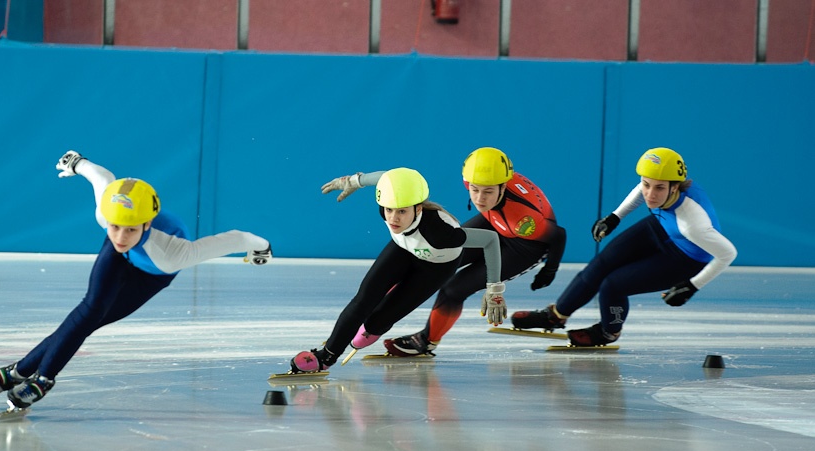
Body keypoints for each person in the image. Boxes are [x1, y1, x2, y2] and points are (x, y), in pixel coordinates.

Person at [0, 150, 272, 413]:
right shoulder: (107, 216)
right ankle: (37, 377)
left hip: (152, 273)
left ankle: (17, 372)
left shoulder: (174, 254)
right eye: (115, 227)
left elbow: (237, 238)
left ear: (146, 223)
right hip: (120, 259)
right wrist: (78, 163)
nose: (121, 236)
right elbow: (102, 176)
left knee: (92, 320)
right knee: (88, 312)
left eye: (130, 230)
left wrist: (261, 248)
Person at [510, 147, 737, 346]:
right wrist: (614, 217)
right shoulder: (659, 187)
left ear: (675, 188)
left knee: (613, 286)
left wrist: (692, 286)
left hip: (687, 257)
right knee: (601, 264)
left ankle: (609, 332)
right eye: (647, 185)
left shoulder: (693, 222)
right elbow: (641, 189)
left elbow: (727, 253)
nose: (650, 194)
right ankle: (556, 315)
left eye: (659, 188)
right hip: (663, 227)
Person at [289, 167, 507, 373]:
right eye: (389, 210)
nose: (393, 218)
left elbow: (490, 239)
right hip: (403, 248)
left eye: (402, 212)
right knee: (363, 300)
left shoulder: (441, 233)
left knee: (377, 322)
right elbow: (387, 178)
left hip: (435, 269)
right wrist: (354, 181)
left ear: (418, 208)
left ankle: (364, 334)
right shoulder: (392, 202)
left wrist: (494, 289)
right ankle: (326, 357)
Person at [379, 147, 567, 356]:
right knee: (433, 257)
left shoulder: (525, 220)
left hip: (524, 245)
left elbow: (558, 235)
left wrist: (550, 269)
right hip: (495, 220)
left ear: (503, 187)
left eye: (488, 192)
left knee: (453, 289)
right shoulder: (476, 177)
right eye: (475, 189)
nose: (479, 198)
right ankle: (380, 302)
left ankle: (426, 341)